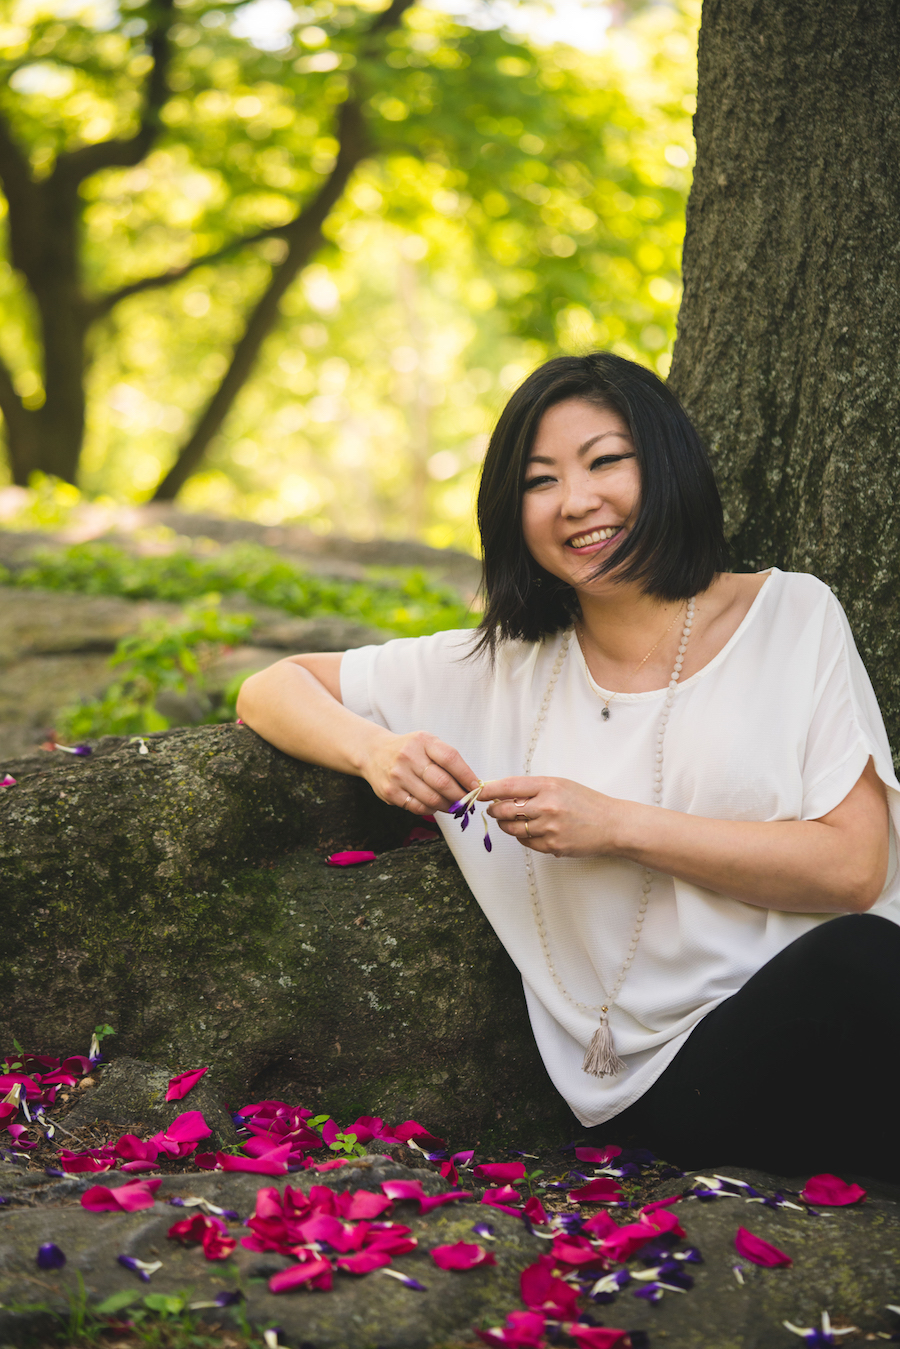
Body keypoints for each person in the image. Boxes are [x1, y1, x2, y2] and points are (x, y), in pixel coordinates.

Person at [238, 352, 900, 1181]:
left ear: (662, 462)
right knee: (862, 967)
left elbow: (853, 867)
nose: (577, 502)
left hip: (841, 1021)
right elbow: (271, 686)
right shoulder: (492, 669)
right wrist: (376, 750)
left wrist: (614, 824)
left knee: (861, 963)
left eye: (605, 461)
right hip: (664, 1075)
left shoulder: (792, 614)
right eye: (539, 480)